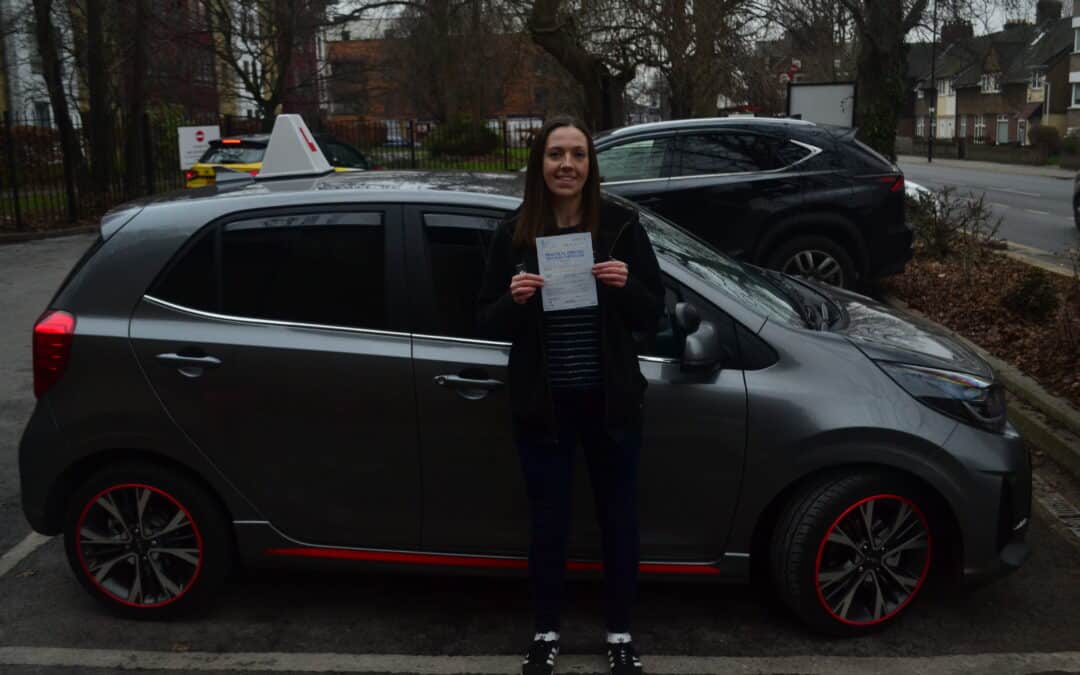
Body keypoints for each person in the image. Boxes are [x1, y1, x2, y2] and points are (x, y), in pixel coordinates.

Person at [477, 115, 663, 675]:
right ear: (540, 164)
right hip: (545, 408)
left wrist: (626, 285)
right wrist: (512, 299)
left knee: (619, 522)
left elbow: (652, 314)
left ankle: (621, 634)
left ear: (590, 165)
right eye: (556, 154)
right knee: (548, 525)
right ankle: (545, 632)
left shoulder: (623, 228)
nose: (567, 165)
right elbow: (485, 321)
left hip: (611, 407)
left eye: (577, 155)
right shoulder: (511, 235)